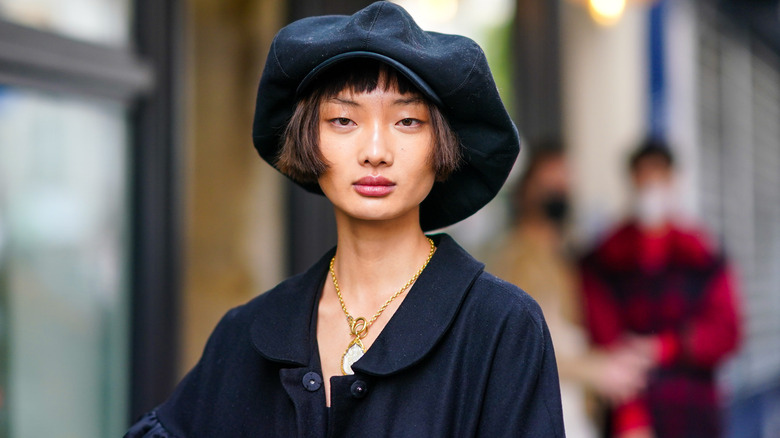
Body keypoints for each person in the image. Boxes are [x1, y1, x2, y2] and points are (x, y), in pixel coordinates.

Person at [126, 2, 564, 437]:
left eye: (407, 120)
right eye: (342, 120)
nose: (375, 150)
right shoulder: (248, 332)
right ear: (308, 138)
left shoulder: (500, 327)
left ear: (443, 145)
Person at [579, 139, 741, 438]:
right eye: (643, 175)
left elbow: (727, 331)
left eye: (659, 175)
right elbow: (602, 332)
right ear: (631, 181)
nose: (651, 184)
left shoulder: (703, 256)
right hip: (630, 413)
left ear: (673, 181)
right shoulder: (604, 260)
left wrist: (667, 347)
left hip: (694, 414)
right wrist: (630, 413)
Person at [489, 145, 651, 438]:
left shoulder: (567, 258)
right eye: (550, 182)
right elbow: (524, 350)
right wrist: (599, 370)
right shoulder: (514, 261)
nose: (559, 190)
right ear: (526, 190)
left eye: (565, 181)